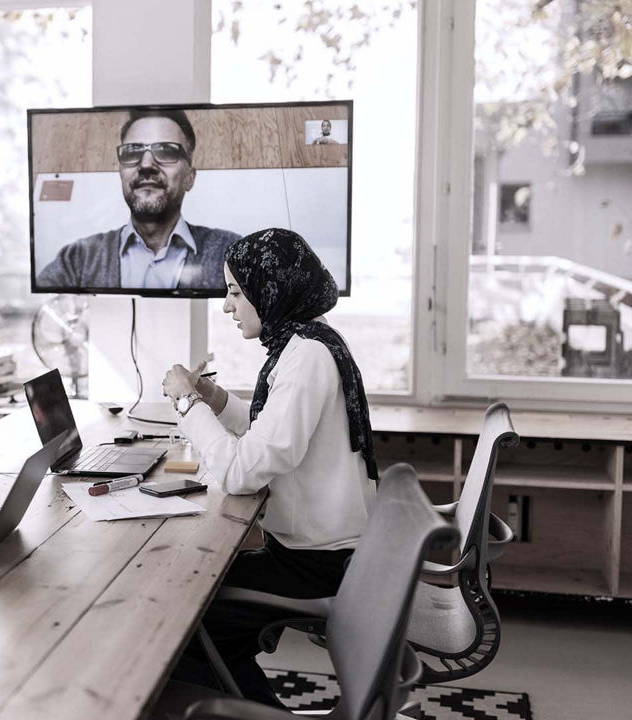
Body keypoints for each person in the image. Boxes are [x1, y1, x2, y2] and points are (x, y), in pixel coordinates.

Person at [160, 228, 378, 706]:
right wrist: (216, 401)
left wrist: (186, 401)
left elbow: (240, 471)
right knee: (201, 612)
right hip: (319, 553)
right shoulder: (306, 342)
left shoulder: (306, 358)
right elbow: (273, 435)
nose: (226, 306)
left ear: (270, 288)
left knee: (181, 626)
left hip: (318, 565)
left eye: (236, 291)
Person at [35, 109, 239, 291]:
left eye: (166, 151)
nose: (146, 164)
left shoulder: (231, 253)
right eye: (132, 152)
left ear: (190, 178)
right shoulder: (77, 259)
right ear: (121, 173)